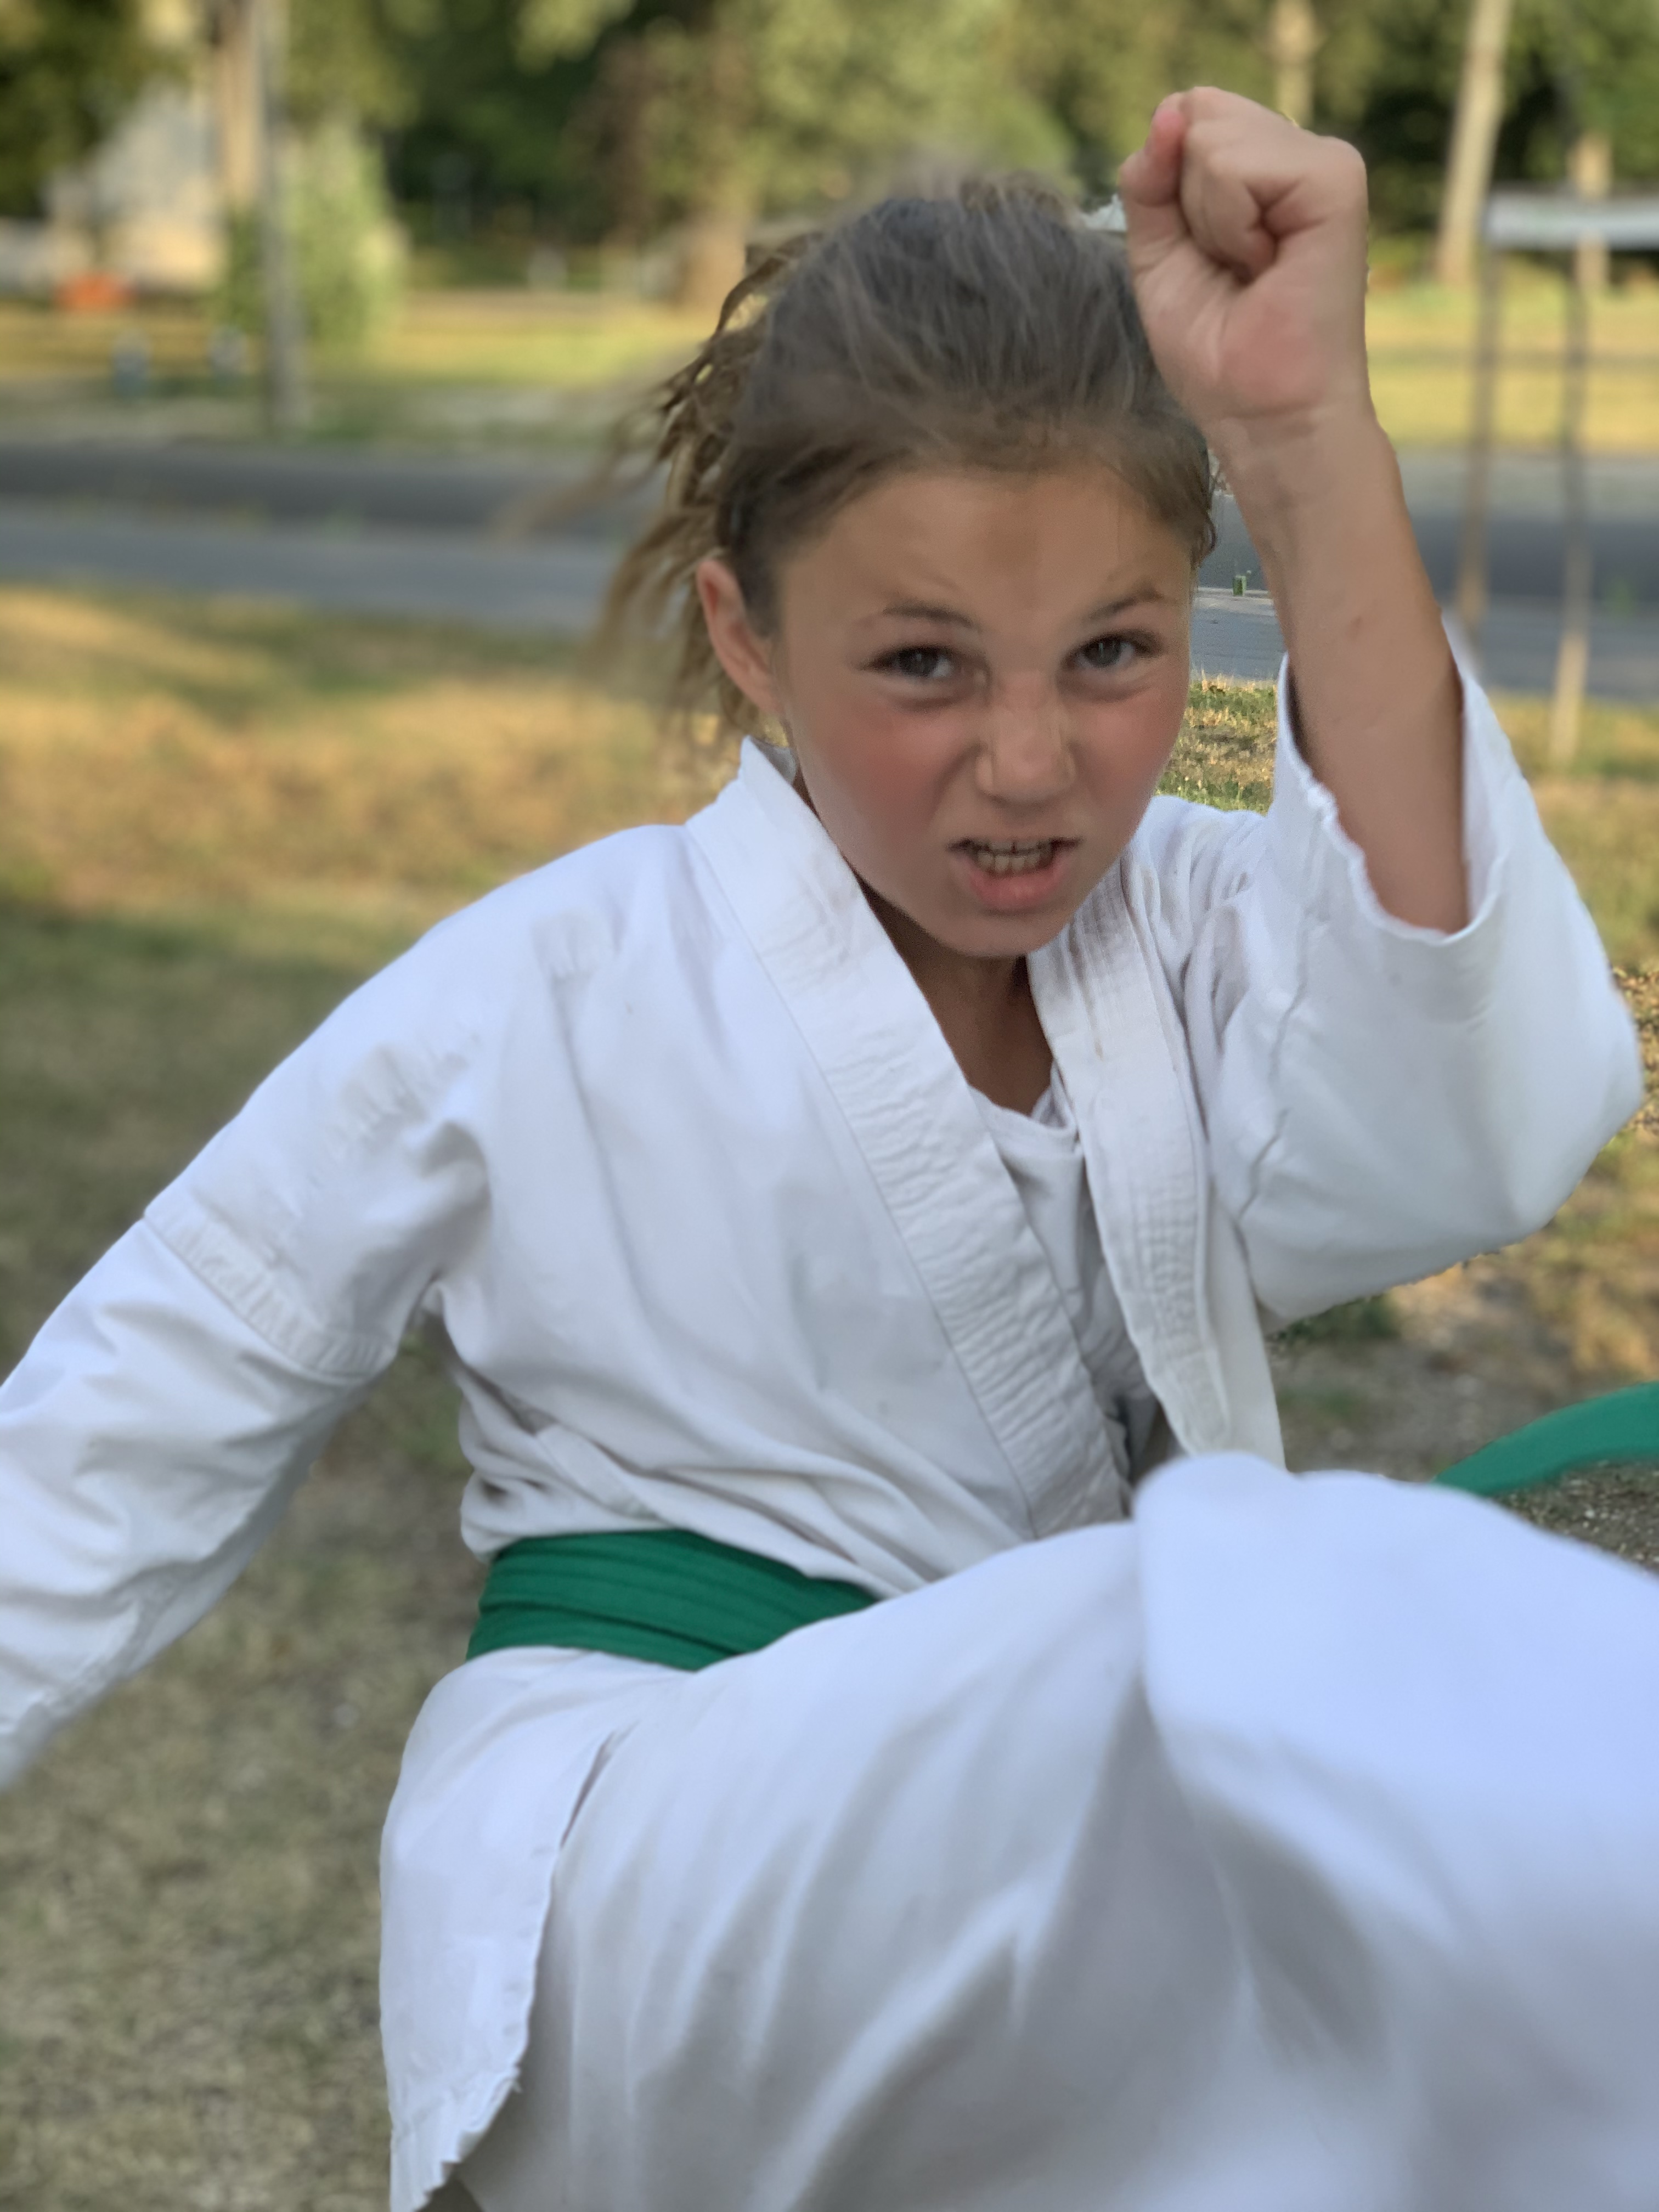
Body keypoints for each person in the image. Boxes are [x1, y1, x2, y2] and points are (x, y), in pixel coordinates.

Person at [2, 87, 1655, 2212]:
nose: (1031, 761)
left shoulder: (1189, 929)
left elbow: (1475, 1120)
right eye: (922, 665)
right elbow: (128, 1420)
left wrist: (1308, 435)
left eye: (1116, 655)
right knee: (1290, 1617)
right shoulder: (550, 985)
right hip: (647, 1875)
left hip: (1017, 1906)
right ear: (748, 636)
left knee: (1408, 1985)